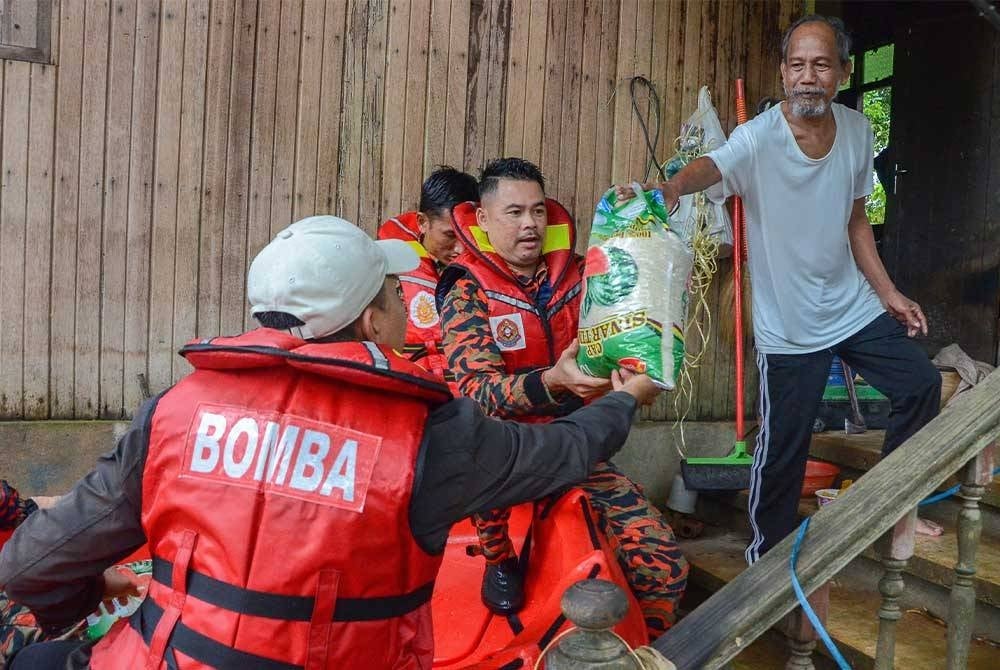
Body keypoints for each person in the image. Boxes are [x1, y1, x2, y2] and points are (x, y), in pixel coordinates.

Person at [0, 216, 662, 669]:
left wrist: (87, 598)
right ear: (372, 320)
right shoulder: (427, 434)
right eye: (396, 294)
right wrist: (624, 400)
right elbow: (564, 455)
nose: (409, 305)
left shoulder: (172, 410)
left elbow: (30, 568)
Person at [624, 14, 942, 563]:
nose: (807, 77)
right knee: (783, 451)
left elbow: (856, 219)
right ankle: (764, 562)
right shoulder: (759, 138)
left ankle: (888, 505)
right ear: (783, 71)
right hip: (789, 326)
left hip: (849, 305)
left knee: (919, 385)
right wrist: (673, 186)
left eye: (820, 65)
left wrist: (888, 292)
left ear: (842, 71)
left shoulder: (858, 131)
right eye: (796, 65)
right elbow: (711, 166)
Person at [437, 157, 688, 639]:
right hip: (499, 453)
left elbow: (629, 326)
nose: (530, 224)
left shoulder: (583, 274)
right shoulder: (465, 288)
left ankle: (643, 652)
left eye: (537, 211)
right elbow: (478, 392)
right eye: (513, 213)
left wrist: (637, 376)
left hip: (572, 445)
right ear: (484, 220)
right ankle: (498, 555)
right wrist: (552, 381)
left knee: (663, 567)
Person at [377, 166, 478, 385]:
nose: (460, 249)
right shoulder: (384, 271)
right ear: (423, 222)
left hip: (472, 402)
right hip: (409, 391)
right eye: (449, 235)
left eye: (467, 235)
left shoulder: (488, 272)